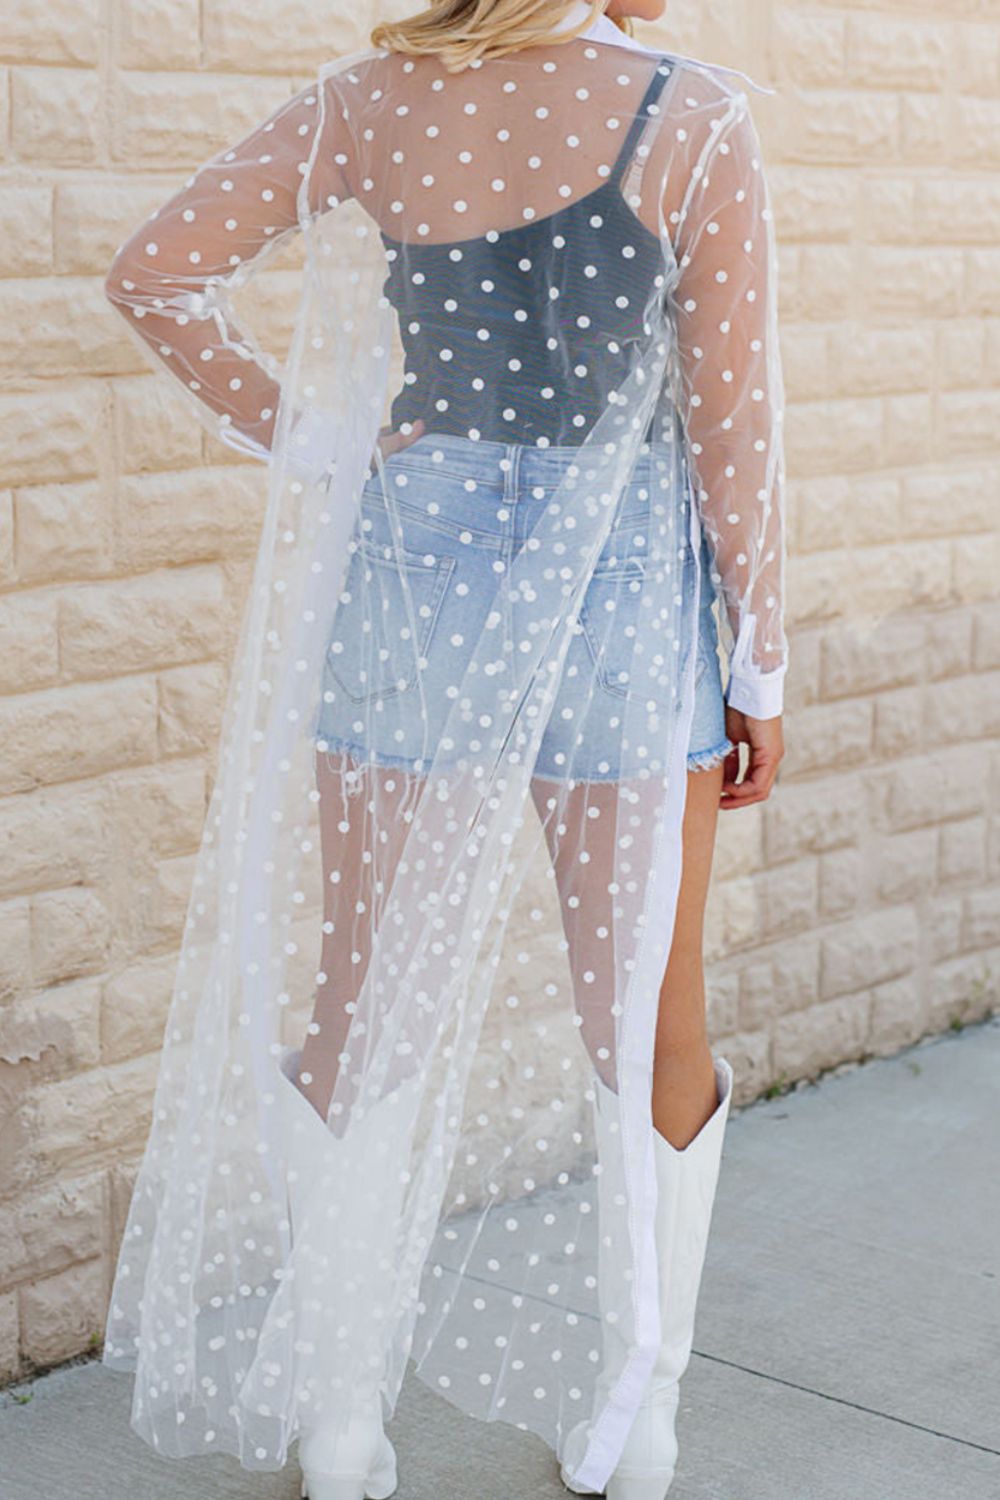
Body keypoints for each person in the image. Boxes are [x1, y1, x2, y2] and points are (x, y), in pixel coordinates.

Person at [100, 3, 787, 1498]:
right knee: (646, 1014)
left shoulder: (375, 100)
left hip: (417, 561)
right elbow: (732, 420)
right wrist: (760, 658)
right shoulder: (694, 114)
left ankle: (341, 1423)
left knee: (362, 997)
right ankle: (643, 1420)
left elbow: (154, 272)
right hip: (625, 582)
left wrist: (321, 437)